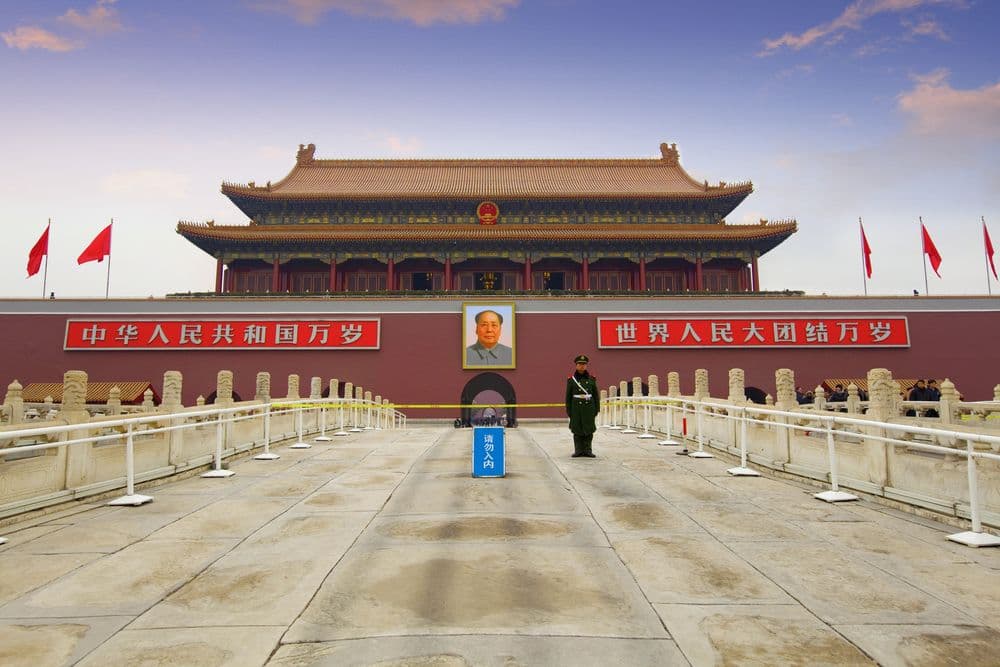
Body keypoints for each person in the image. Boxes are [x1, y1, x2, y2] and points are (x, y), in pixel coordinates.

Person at [565, 354, 600, 457]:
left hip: (589, 408)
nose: (582, 366)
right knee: (577, 430)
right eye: (580, 364)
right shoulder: (571, 380)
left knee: (589, 430)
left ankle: (588, 450)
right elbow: (568, 397)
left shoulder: (591, 379)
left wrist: (596, 409)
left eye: (584, 364)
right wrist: (569, 410)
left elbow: (595, 395)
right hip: (576, 408)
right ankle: (578, 450)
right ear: (576, 365)